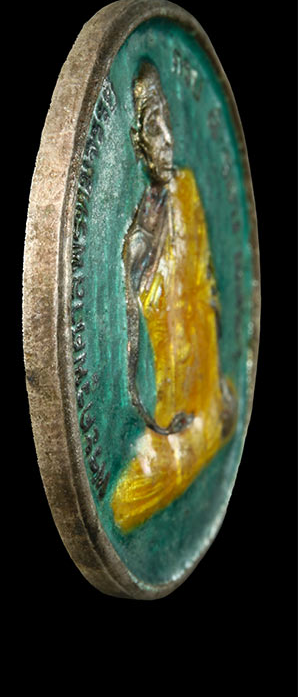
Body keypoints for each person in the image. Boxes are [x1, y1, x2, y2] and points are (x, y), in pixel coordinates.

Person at [110, 62, 236, 532]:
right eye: (152, 126)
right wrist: (155, 424)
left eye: (167, 121)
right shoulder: (136, 244)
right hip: (172, 424)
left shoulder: (188, 191)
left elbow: (209, 289)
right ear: (139, 143)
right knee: (122, 508)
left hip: (210, 402)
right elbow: (130, 364)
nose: (167, 138)